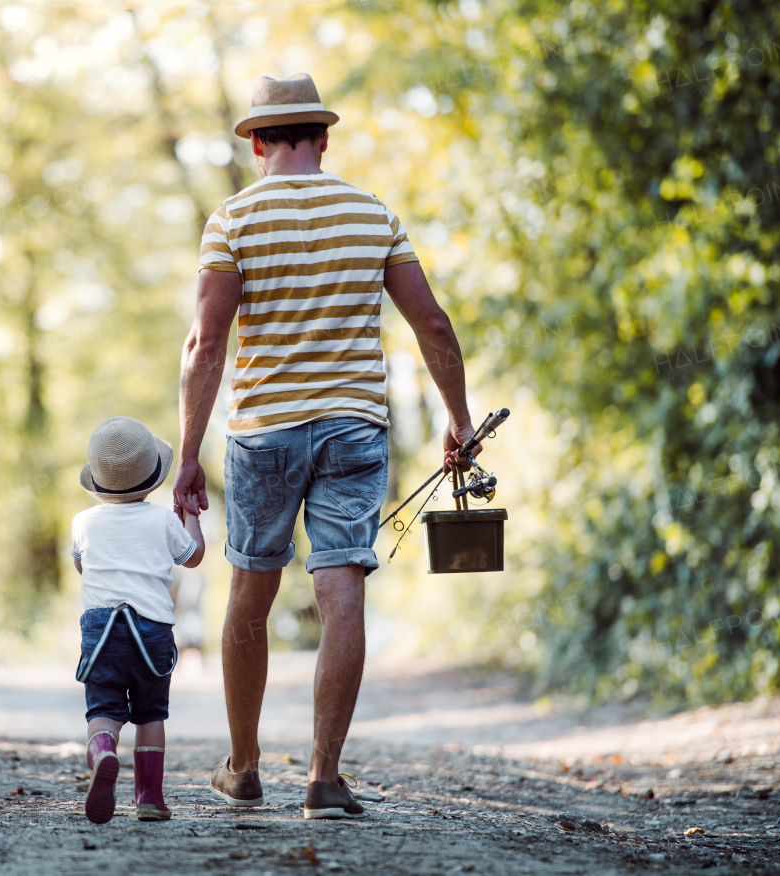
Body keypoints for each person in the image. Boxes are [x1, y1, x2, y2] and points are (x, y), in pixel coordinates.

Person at [173, 73, 481, 819]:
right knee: (341, 589)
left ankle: (243, 768)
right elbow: (433, 325)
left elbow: (206, 344)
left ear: (256, 143)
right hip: (352, 427)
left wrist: (186, 455)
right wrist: (459, 419)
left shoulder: (231, 221)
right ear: (323, 138)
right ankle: (323, 779)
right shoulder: (372, 214)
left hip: (263, 433)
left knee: (253, 586)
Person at [72, 416, 206, 824]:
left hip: (101, 630)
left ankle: (103, 752)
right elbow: (194, 556)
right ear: (150, 476)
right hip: (151, 629)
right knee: (151, 714)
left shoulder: (84, 522)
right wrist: (190, 514)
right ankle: (149, 797)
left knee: (104, 709)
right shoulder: (162, 520)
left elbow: (83, 568)